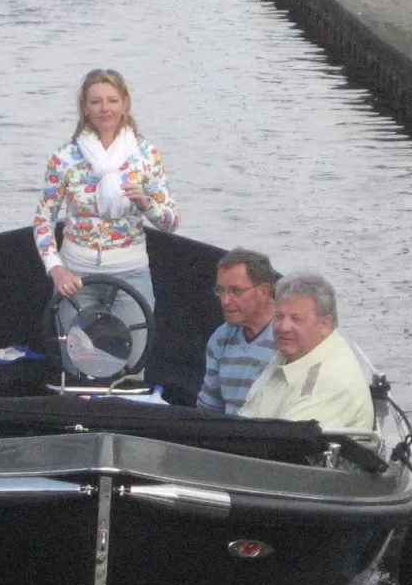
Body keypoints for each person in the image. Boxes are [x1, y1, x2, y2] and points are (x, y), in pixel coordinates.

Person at [32, 68, 179, 368]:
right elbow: (44, 220)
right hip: (77, 276)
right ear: (84, 107)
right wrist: (57, 270)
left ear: (125, 104)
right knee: (76, 368)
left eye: (112, 100)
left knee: (131, 369)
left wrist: (145, 202)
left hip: (132, 273)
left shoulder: (146, 155)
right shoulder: (64, 157)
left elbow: (170, 222)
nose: (105, 109)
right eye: (96, 101)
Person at [239, 273, 373, 430]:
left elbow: (283, 447)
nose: (283, 327)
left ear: (325, 324)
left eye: (296, 319)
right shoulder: (296, 352)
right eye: (279, 316)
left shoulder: (325, 383)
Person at [197, 248, 279, 415]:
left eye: (235, 291)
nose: (225, 301)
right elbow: (208, 409)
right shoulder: (220, 338)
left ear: (263, 291)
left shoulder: (288, 338)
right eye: (221, 290)